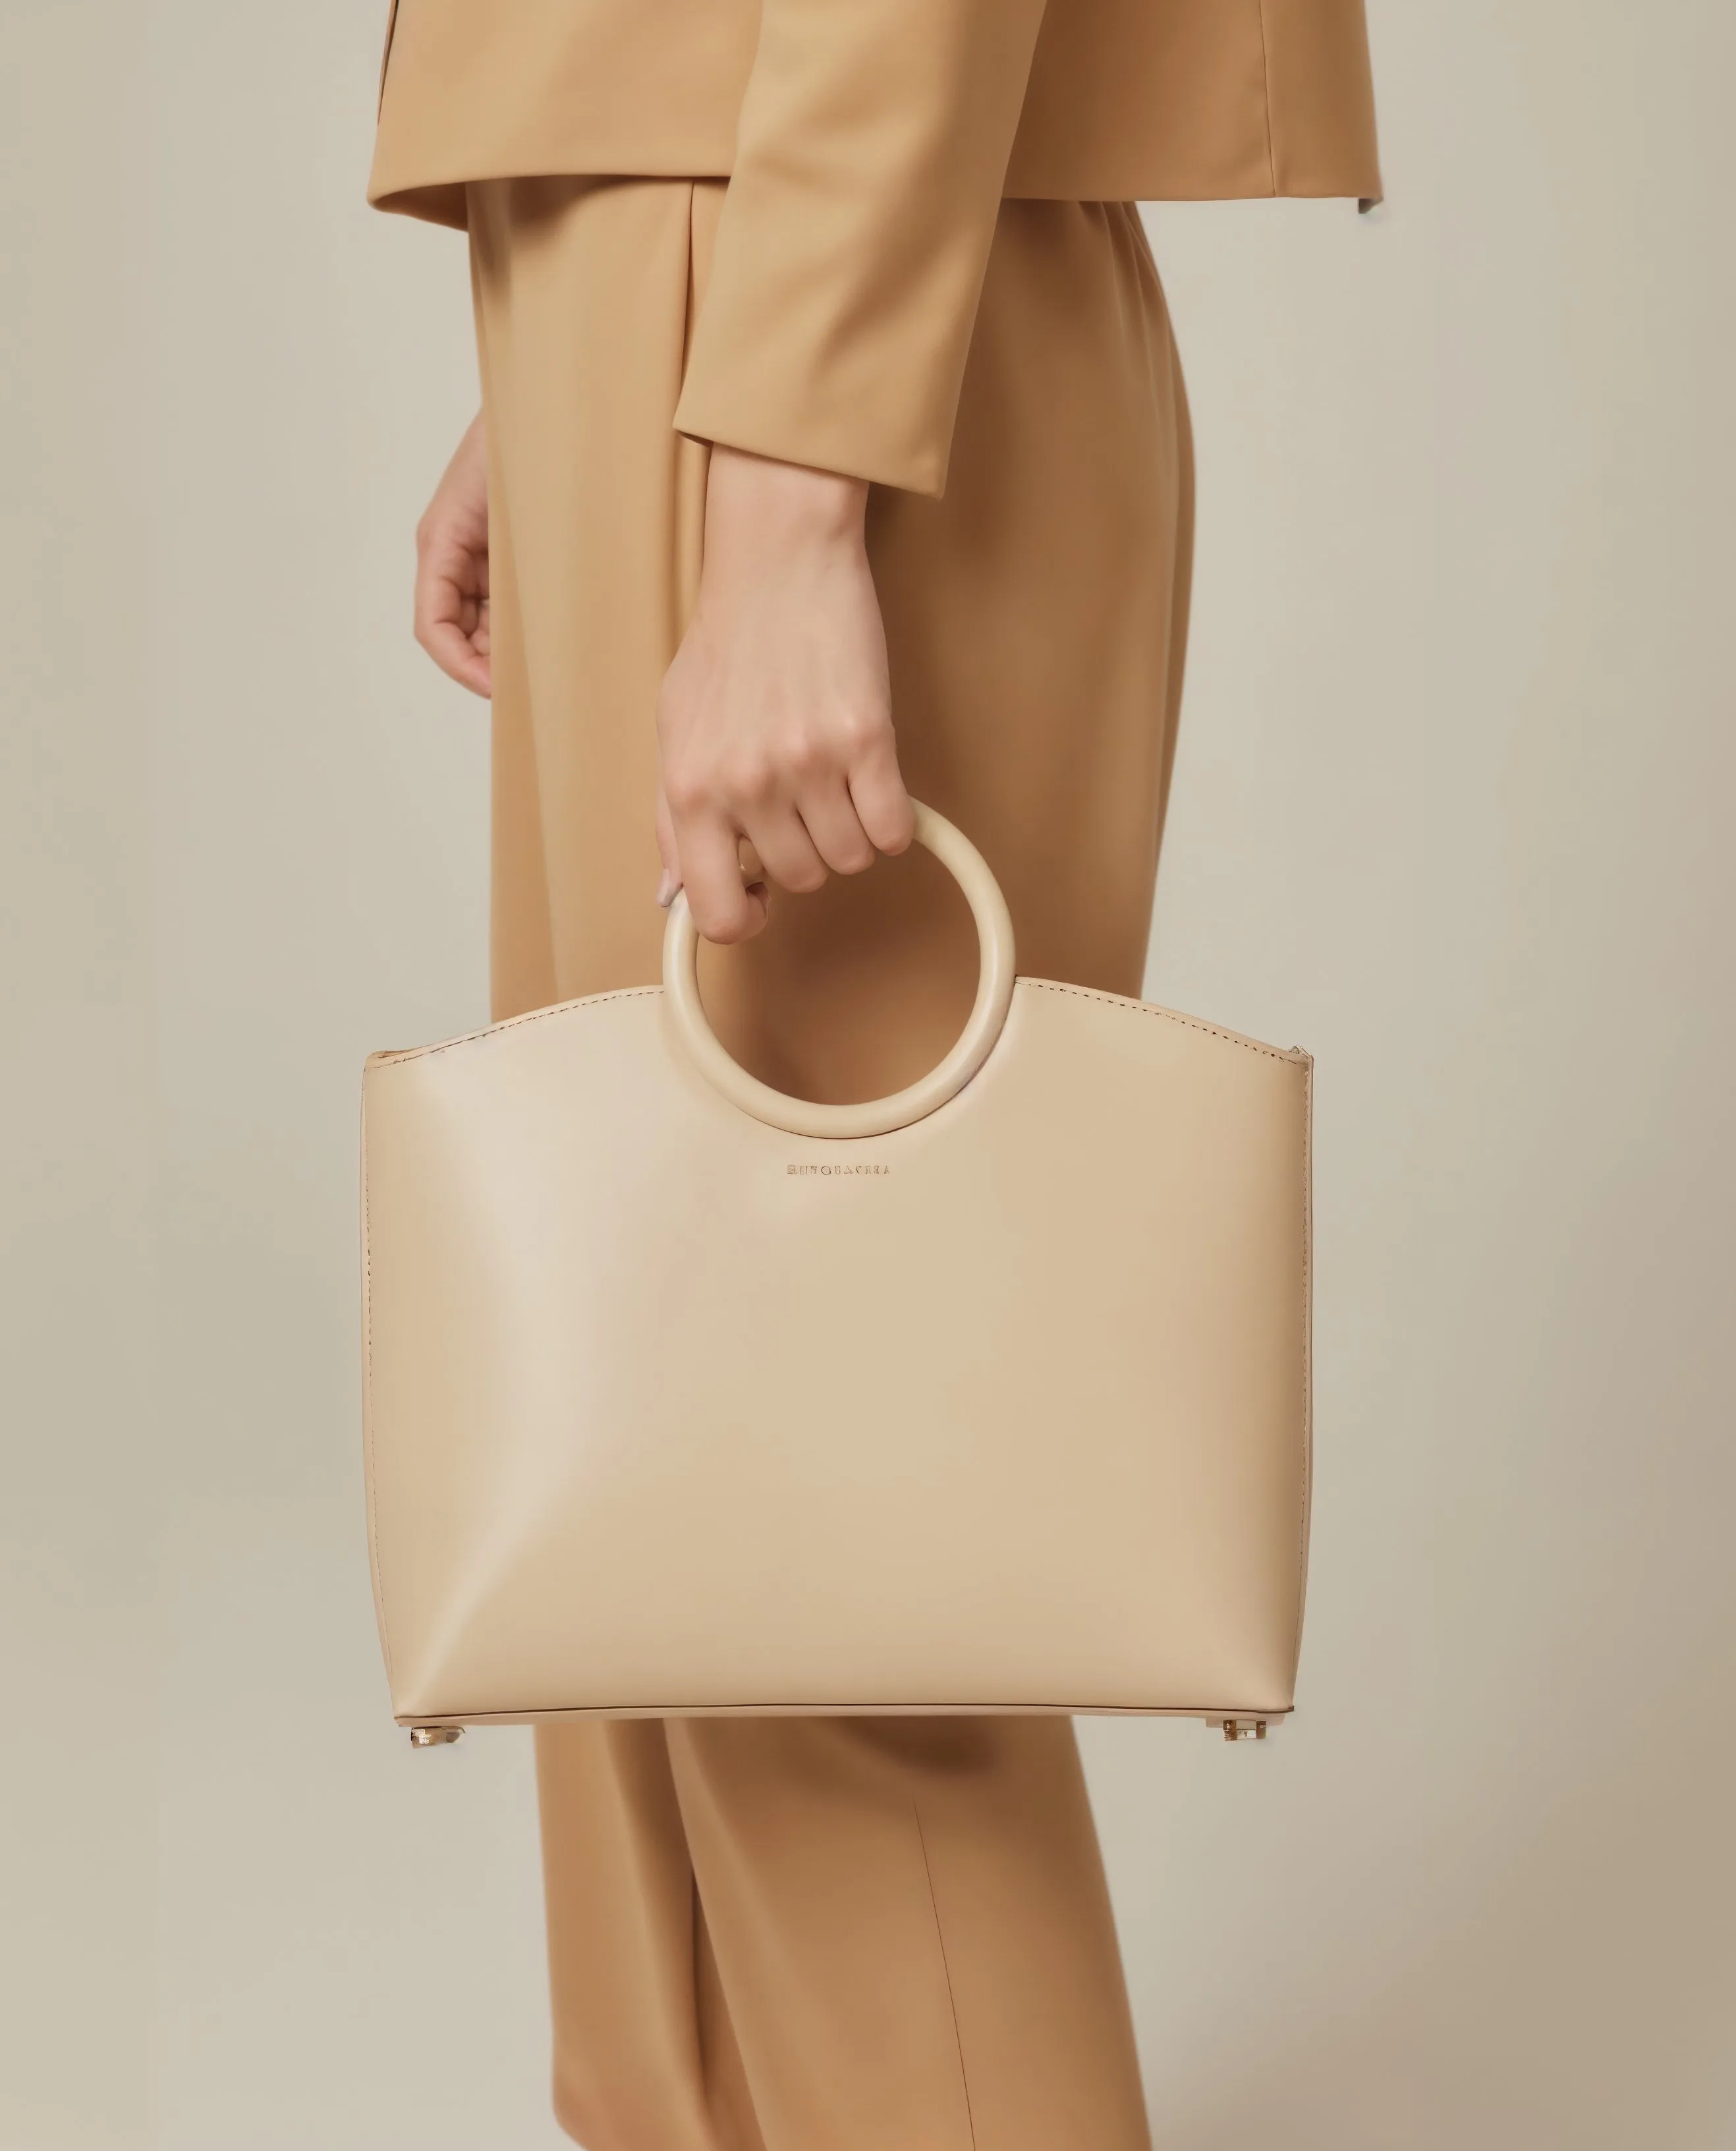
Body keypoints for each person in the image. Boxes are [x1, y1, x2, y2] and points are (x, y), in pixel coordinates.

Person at [374, 6, 1376, 2147]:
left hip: (799, 300)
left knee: (807, 1573)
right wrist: (575, 319)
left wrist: (777, 491)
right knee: (655, 1566)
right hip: (715, 271)